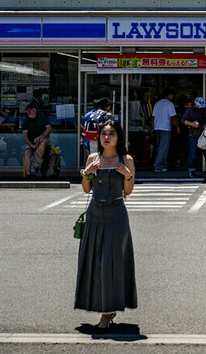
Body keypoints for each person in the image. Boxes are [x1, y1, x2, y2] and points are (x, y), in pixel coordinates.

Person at [75, 120, 137, 329]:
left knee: (110, 263)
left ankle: (107, 313)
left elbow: (128, 191)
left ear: (118, 137)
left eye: (111, 134)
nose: (107, 137)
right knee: (95, 262)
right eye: (103, 134)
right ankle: (101, 307)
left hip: (116, 215)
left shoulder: (125, 159)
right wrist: (88, 171)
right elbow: (86, 189)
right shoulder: (93, 158)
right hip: (94, 214)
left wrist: (127, 175)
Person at [181, 96, 206, 177]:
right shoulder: (189, 110)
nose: (199, 107)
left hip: (203, 134)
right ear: (195, 104)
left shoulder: (204, 109)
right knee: (193, 153)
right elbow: (183, 120)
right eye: (198, 105)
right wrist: (192, 124)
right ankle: (192, 170)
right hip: (193, 134)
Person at [151, 88, 179, 172]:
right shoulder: (169, 104)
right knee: (164, 147)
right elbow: (172, 117)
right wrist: (177, 127)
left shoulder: (157, 103)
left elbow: (153, 117)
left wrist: (152, 128)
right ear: (169, 95)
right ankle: (158, 165)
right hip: (165, 128)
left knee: (159, 147)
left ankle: (159, 163)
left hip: (157, 127)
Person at [22, 100, 52, 177]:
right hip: (31, 141)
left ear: (34, 110)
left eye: (29, 110)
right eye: (27, 111)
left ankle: (36, 166)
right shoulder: (26, 120)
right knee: (27, 153)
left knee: (42, 141)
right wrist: (31, 145)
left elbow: (49, 128)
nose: (28, 112)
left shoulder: (41, 117)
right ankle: (28, 174)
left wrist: (43, 135)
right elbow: (25, 135)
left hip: (42, 139)